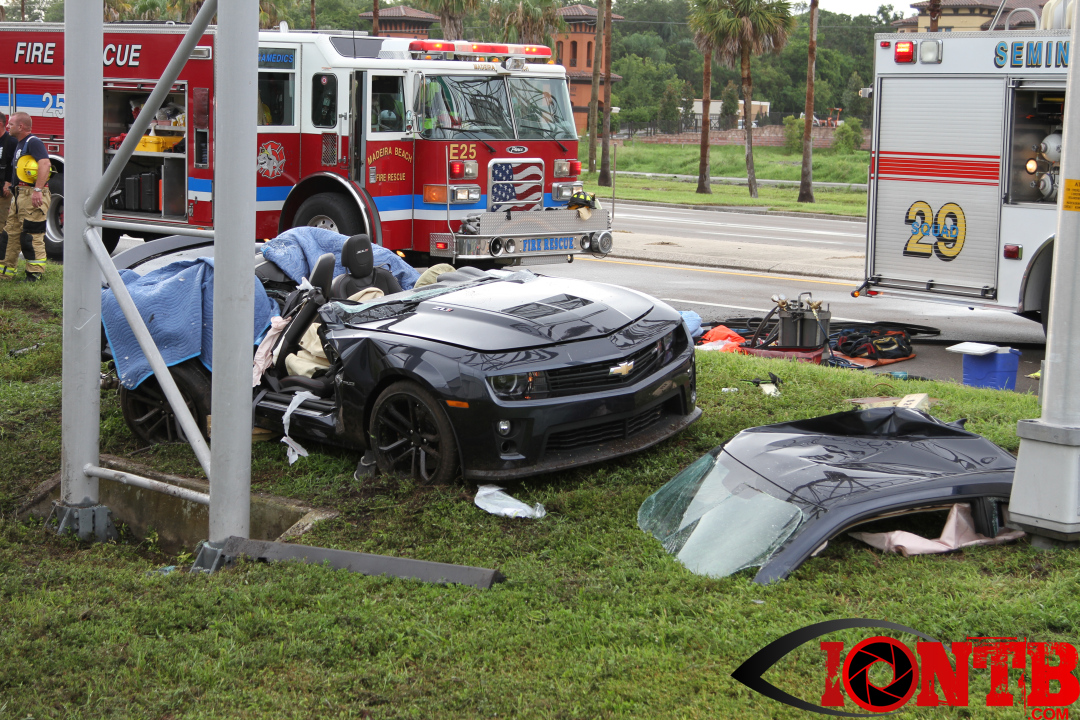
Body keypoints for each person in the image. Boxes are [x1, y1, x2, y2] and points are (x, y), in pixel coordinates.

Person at [0, 112, 51, 282]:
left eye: (11, 124)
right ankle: (4, 272)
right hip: (19, 195)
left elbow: (45, 163)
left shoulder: (33, 142)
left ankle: (34, 275)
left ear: (21, 127)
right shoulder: (21, 144)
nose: (8, 126)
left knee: (31, 235)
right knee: (9, 234)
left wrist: (38, 189)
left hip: (31, 195)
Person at [0, 113, 17, 231]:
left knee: (2, 225)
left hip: (3, 192)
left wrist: (9, 182)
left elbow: (16, 164)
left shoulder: (11, 142)